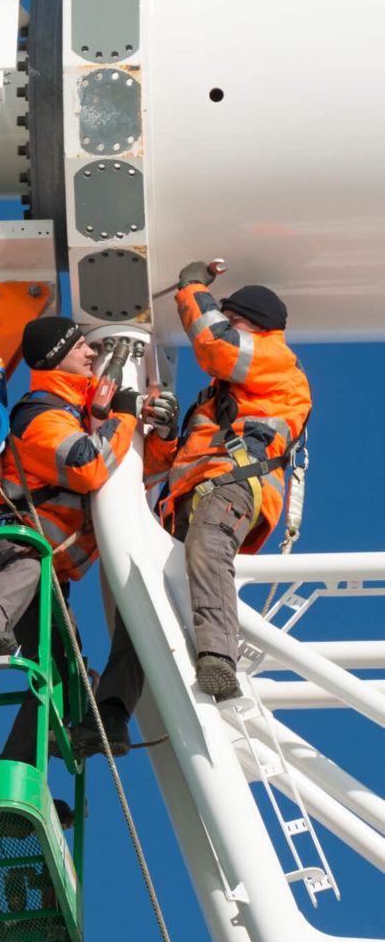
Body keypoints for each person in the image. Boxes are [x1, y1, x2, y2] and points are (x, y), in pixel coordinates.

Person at [0, 315, 178, 772]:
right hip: (9, 540)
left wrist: (163, 438)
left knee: (61, 673)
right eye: (79, 347)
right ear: (57, 357)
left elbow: (130, 479)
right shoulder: (41, 416)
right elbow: (87, 467)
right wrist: (126, 416)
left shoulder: (85, 414)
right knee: (28, 569)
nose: (91, 353)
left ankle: (19, 773)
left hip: (46, 565)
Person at [159, 262, 312, 701]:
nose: (227, 325)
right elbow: (180, 459)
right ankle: (110, 711)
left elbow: (217, 344)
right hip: (194, 495)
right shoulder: (223, 393)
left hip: (234, 484)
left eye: (234, 319)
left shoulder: (274, 358)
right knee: (150, 598)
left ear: (256, 325)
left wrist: (190, 287)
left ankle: (218, 659)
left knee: (209, 544)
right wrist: (166, 433)